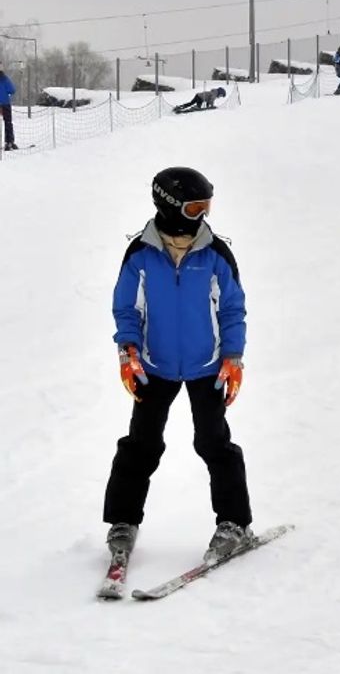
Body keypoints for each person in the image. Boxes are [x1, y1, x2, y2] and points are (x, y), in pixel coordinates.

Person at [103, 167, 253, 564]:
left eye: (206, 205)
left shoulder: (216, 253)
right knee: (141, 445)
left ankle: (235, 522)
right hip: (155, 365)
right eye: (194, 206)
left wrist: (233, 357)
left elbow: (233, 309)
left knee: (213, 443)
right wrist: (128, 351)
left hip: (208, 367)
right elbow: (126, 309)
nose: (202, 214)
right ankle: (122, 521)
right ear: (171, 206)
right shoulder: (140, 254)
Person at [0, 65, 17, 151]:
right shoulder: (4, 78)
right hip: (5, 103)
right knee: (8, 122)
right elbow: (12, 90)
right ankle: (9, 142)